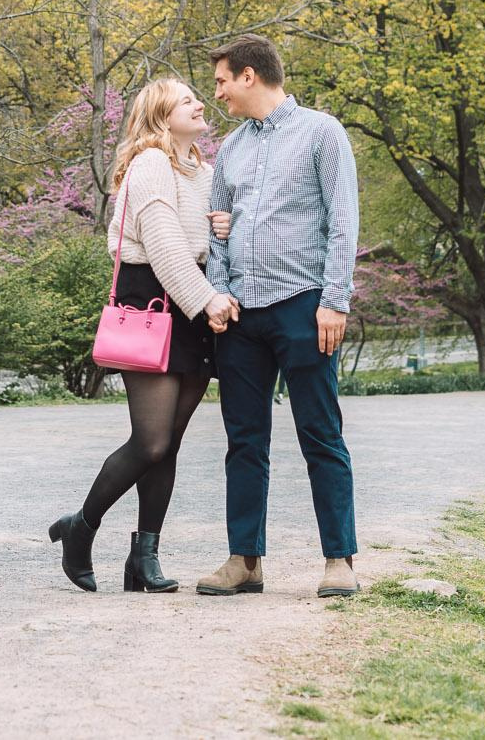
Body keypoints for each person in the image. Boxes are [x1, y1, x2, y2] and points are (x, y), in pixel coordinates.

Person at [48, 77, 240, 593]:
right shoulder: (150, 164)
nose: (201, 103)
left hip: (194, 301)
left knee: (170, 444)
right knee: (151, 440)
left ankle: (144, 557)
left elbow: (200, 241)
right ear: (160, 116)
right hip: (157, 300)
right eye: (186, 100)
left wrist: (223, 228)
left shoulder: (206, 170)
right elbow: (163, 247)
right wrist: (207, 301)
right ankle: (80, 528)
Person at [197, 34, 361, 598]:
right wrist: (217, 291)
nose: (216, 93)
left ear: (248, 76)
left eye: (221, 81)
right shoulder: (232, 151)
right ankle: (245, 560)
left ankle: (338, 559)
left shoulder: (322, 132)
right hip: (241, 313)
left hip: (304, 304)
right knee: (244, 440)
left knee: (320, 432)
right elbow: (217, 227)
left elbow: (344, 220)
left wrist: (335, 300)